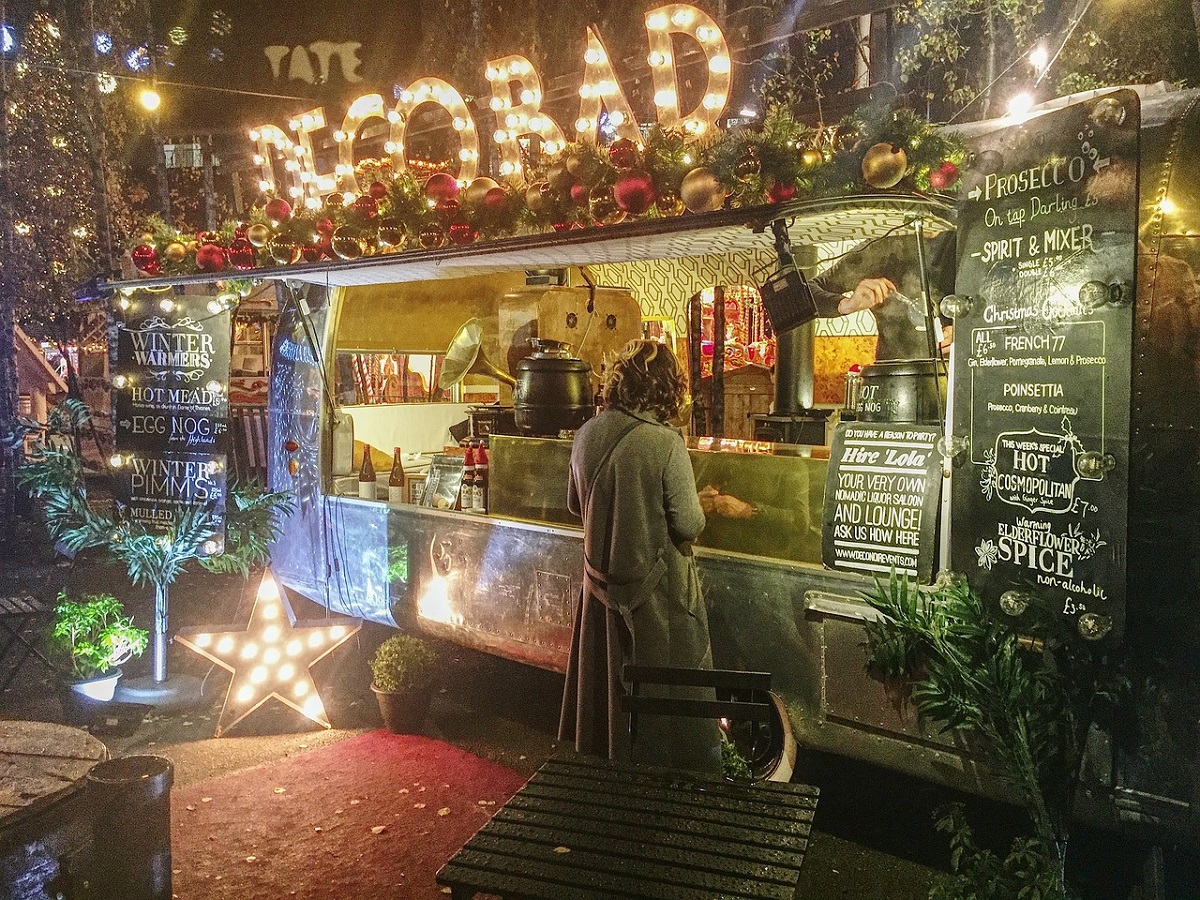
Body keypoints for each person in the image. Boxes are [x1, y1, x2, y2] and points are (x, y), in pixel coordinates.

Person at [558, 339, 722, 774]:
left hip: (600, 595)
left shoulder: (586, 434)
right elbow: (688, 524)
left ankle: (607, 780)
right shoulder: (666, 443)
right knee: (665, 712)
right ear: (667, 387)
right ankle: (663, 799)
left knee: (606, 698)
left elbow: (576, 505)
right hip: (657, 604)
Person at [807, 231, 957, 361]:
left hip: (956, 376)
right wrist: (846, 305)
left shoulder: (963, 242)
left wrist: (963, 332)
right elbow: (807, 293)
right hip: (890, 376)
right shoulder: (882, 245)